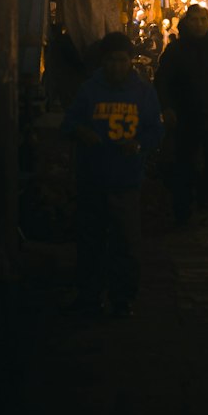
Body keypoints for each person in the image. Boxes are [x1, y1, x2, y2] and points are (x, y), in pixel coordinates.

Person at [61, 31, 163, 318]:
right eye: (111, 60)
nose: (116, 66)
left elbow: (155, 130)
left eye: (121, 60)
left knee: (126, 244)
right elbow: (69, 123)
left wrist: (139, 144)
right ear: (102, 62)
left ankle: (123, 298)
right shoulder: (89, 90)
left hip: (126, 181)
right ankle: (89, 296)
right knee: (90, 242)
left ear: (130, 61)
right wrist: (82, 131)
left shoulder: (143, 92)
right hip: (92, 177)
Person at [155, 4, 208, 223]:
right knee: (184, 161)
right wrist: (166, 107)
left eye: (202, 19)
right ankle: (183, 207)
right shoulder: (176, 50)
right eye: (194, 20)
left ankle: (204, 195)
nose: (198, 24)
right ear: (187, 22)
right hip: (184, 114)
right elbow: (162, 80)